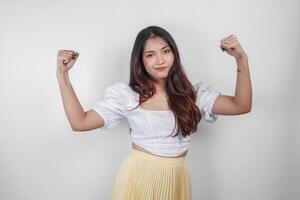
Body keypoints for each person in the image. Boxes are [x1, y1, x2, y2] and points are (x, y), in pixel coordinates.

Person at [56, 25, 252, 200]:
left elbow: (241, 106)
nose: (160, 60)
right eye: (150, 55)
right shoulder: (128, 97)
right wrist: (63, 76)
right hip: (140, 179)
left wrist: (241, 60)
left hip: (178, 179)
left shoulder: (193, 95)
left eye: (165, 51)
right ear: (140, 61)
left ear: (174, 54)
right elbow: (79, 122)